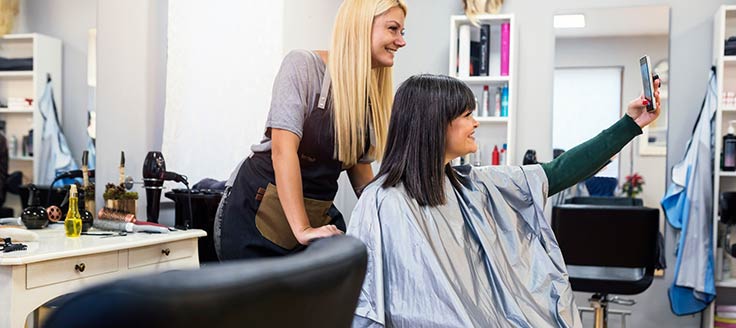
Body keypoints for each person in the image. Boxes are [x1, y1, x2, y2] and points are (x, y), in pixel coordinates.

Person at [348, 74, 660, 327]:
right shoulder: (381, 203)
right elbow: (366, 303)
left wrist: (629, 125)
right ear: (435, 123)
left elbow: (560, 172)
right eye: (468, 115)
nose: (476, 123)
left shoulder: (475, 185)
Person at [214, 0, 407, 260]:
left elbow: (360, 173)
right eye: (393, 29)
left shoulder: (368, 97)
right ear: (360, 27)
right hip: (256, 215)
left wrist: (395, 219)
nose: (400, 41)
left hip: (314, 215)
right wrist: (303, 229)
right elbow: (283, 151)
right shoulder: (303, 66)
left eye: (401, 32)